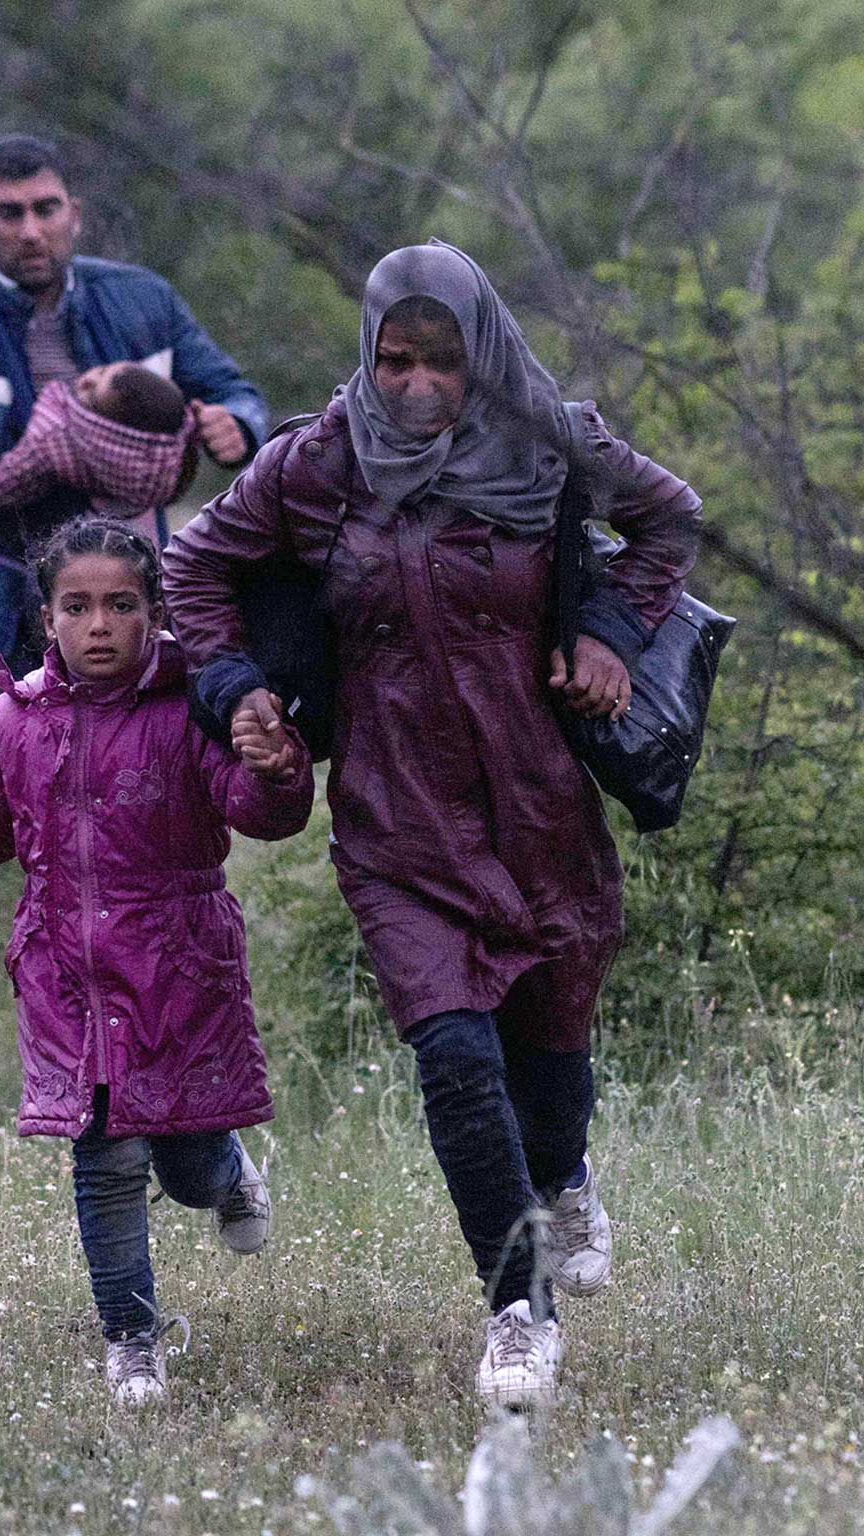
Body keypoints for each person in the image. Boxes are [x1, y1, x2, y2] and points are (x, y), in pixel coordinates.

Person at [161, 241, 702, 1408]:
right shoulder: (315, 463)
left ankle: (564, 1174)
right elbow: (193, 565)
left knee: (547, 1063)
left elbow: (669, 519)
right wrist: (233, 690)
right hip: (395, 815)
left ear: (484, 358)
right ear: (366, 353)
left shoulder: (553, 441)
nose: (414, 387)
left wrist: (608, 628)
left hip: (539, 804)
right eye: (393, 361)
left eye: (441, 364)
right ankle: (517, 1312)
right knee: (455, 1061)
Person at [0, 516, 314, 1407]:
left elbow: (255, 810)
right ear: (45, 618)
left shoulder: (193, 707)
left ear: (157, 612)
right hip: (64, 973)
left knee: (183, 1163)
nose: (99, 626)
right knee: (106, 1159)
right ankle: (132, 1340)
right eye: (77, 606)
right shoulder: (9, 722)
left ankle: (228, 1170)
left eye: (121, 606)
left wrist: (277, 767)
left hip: (179, 967)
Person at [0, 134, 269, 708]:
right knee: (26, 772)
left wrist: (236, 426)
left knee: (145, 768)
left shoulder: (144, 300)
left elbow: (233, 391)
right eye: (9, 213)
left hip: (130, 587)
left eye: (45, 209)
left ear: (74, 214)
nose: (30, 231)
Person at [0, 362, 201, 541]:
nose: (86, 377)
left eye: (93, 391)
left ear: (108, 437)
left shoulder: (51, 437)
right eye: (102, 370)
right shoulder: (160, 469)